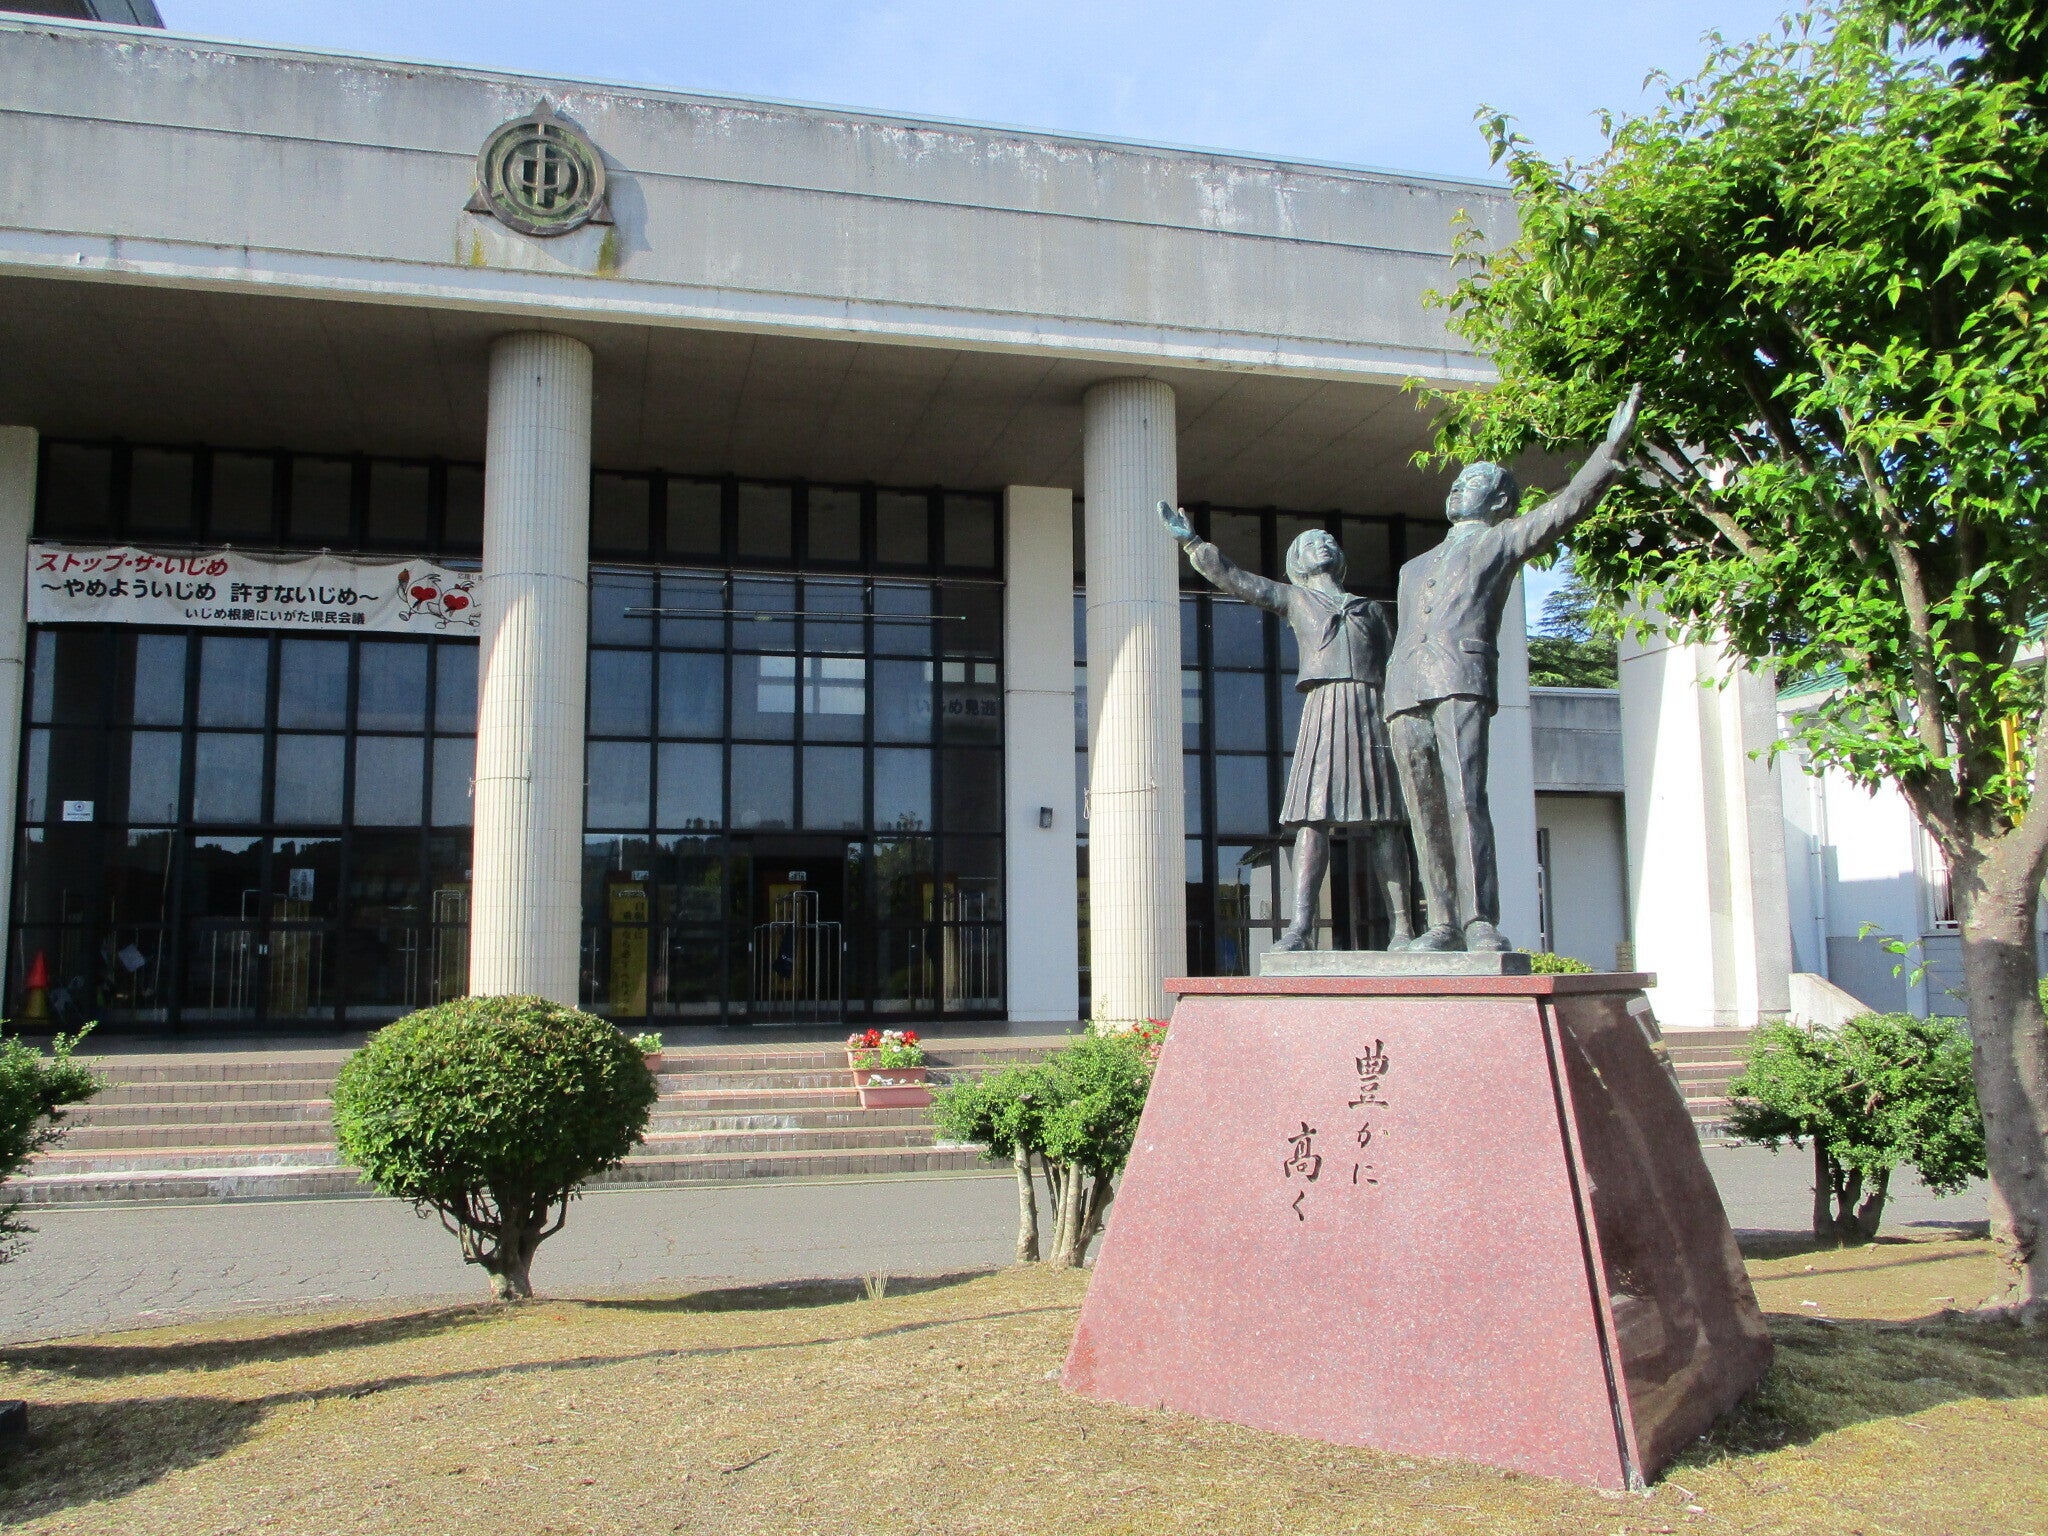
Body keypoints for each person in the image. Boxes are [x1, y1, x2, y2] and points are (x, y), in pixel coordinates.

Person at [1384, 385, 1641, 952]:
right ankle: (1441, 922)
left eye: (1472, 482)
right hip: (1403, 689)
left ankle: (1478, 919)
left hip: (1460, 678)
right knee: (1423, 812)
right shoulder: (1412, 567)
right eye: (1456, 482)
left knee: (1464, 798)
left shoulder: (1500, 541)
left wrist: (1607, 452)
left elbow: (1565, 507)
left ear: (1499, 500)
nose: (1457, 488)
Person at [1158, 504, 1414, 952]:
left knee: (1387, 819)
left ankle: (1404, 928)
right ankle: (1301, 927)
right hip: (1325, 707)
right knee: (1313, 818)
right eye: (1311, 543)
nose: (1323, 545)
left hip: (1371, 710)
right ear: (1297, 562)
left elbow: (1396, 668)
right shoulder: (1295, 598)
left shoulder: (1370, 610)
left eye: (1328, 541)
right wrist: (1193, 544)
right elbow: (1237, 579)